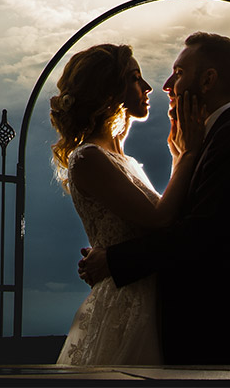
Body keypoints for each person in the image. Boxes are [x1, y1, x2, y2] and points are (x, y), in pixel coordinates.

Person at [78, 31, 230, 365]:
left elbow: (200, 235)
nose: (166, 85)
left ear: (208, 80)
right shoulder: (216, 138)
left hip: (229, 332)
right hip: (212, 331)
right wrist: (184, 157)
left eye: (179, 73)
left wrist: (114, 260)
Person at [49, 43, 200, 366]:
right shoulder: (89, 157)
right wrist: (188, 154)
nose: (147, 88)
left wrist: (177, 157)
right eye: (135, 78)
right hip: (128, 301)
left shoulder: (122, 160)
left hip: (148, 294)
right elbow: (160, 218)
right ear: (108, 90)